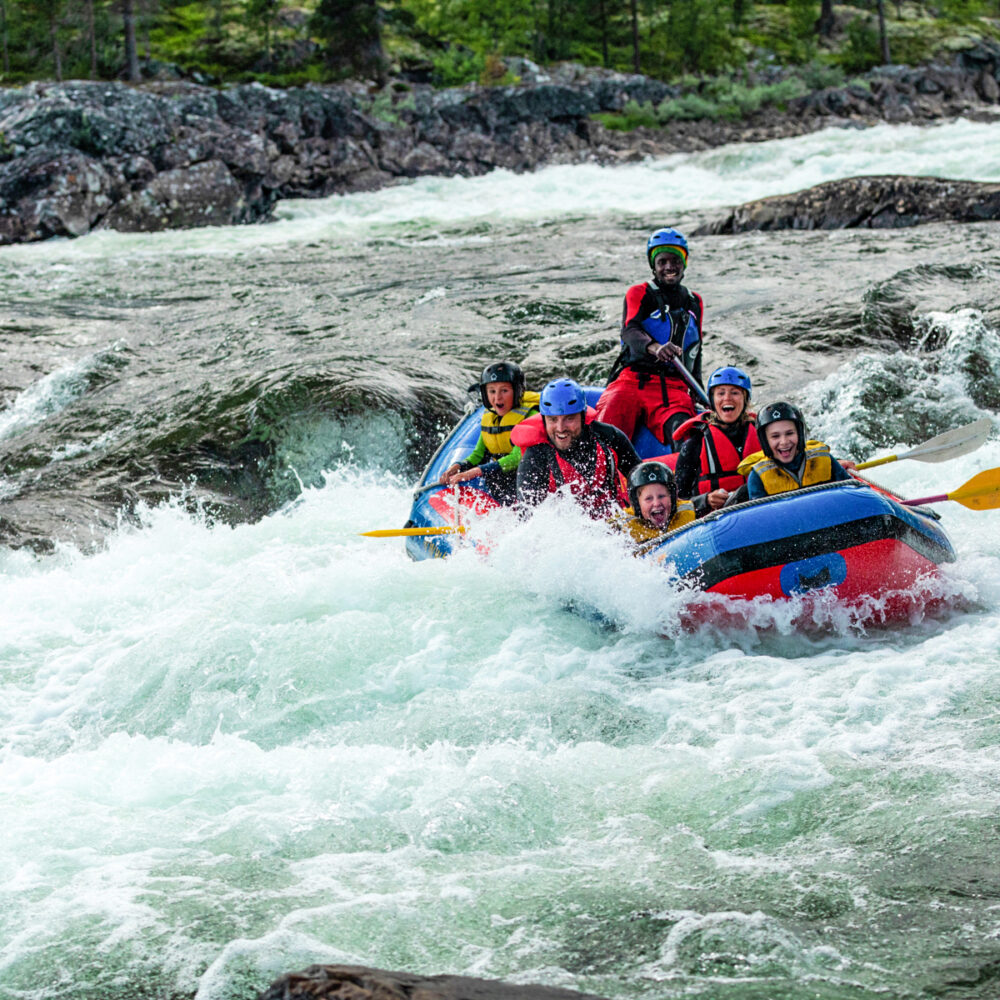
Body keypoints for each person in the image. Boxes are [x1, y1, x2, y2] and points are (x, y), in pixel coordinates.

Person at [595, 227, 705, 447]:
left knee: (687, 439)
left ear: (684, 262)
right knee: (605, 436)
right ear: (653, 265)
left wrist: (700, 394)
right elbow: (630, 330)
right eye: (662, 261)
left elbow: (695, 351)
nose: (669, 267)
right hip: (632, 381)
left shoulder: (695, 302)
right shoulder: (639, 293)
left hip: (673, 387)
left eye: (675, 260)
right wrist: (656, 348)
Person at [513, 376, 641, 518]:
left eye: (569, 418)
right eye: (553, 419)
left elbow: (642, 481)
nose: (560, 428)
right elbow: (528, 517)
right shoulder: (536, 457)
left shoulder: (608, 437)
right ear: (544, 420)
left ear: (582, 416)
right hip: (569, 532)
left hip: (615, 520)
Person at [439, 361, 540, 504]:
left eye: (504, 391)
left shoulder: (530, 416)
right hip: (501, 484)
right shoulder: (490, 418)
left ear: (517, 391)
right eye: (492, 391)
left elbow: (518, 458)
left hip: (526, 483)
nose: (497, 398)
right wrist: (458, 466)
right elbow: (478, 454)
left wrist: (475, 472)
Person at [673, 365, 760, 516]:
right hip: (717, 520)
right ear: (712, 400)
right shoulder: (696, 443)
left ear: (745, 399)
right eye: (721, 393)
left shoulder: (763, 434)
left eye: (735, 393)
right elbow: (676, 502)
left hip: (759, 510)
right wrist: (705, 500)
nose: (727, 398)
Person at [744, 401, 853, 500]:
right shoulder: (757, 476)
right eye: (775, 436)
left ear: (800, 434)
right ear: (765, 441)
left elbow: (852, 491)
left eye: (789, 433)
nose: (784, 442)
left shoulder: (825, 459)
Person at [614, 461, 696, 546]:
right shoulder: (621, 526)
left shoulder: (688, 511)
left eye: (661, 496)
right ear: (637, 504)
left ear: (672, 497)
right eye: (648, 499)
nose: (656, 503)